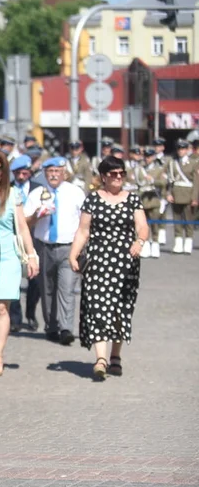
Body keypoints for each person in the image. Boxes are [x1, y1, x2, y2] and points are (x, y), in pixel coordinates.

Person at [68, 156, 148, 380]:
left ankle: (115, 356)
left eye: (121, 173)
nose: (118, 177)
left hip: (125, 263)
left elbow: (142, 226)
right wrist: (73, 254)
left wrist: (139, 242)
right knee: (97, 307)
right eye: (113, 174)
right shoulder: (92, 199)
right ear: (103, 176)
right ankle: (101, 359)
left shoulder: (132, 200)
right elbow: (83, 230)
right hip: (98, 262)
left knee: (119, 310)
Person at [0, 151, 39, 377]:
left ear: (3, 171)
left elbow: (21, 227)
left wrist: (31, 256)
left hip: (7, 257)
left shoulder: (12, 195)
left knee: (1, 308)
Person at [24, 156, 86, 345]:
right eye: (50, 171)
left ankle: (66, 328)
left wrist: (82, 247)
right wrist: (37, 214)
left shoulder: (75, 192)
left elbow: (85, 221)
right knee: (47, 288)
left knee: (66, 288)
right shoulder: (37, 193)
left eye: (57, 171)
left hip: (69, 247)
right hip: (44, 247)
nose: (53, 175)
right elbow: (25, 222)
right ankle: (51, 326)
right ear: (44, 173)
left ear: (64, 173)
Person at [8, 155, 43, 332]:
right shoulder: (8, 189)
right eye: (18, 173)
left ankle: (30, 314)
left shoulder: (39, 189)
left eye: (25, 173)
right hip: (13, 238)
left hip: (34, 237)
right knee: (13, 279)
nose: (21, 176)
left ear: (30, 172)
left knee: (34, 280)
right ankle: (15, 318)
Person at [166, 138, 196, 254]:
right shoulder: (173, 162)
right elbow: (170, 180)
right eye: (179, 148)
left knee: (189, 221)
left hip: (188, 194)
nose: (180, 151)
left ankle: (188, 243)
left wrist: (194, 198)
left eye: (183, 148)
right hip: (176, 194)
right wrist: (169, 193)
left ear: (187, 150)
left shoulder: (193, 163)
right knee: (177, 220)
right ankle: (178, 243)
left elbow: (196, 182)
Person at [136, 146, 166, 258]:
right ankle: (146, 245)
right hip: (143, 199)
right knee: (144, 225)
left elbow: (163, 183)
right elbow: (137, 183)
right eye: (146, 156)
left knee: (155, 224)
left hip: (154, 199)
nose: (147, 158)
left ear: (153, 157)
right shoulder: (140, 169)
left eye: (149, 156)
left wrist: (152, 180)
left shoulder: (159, 169)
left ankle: (155, 245)